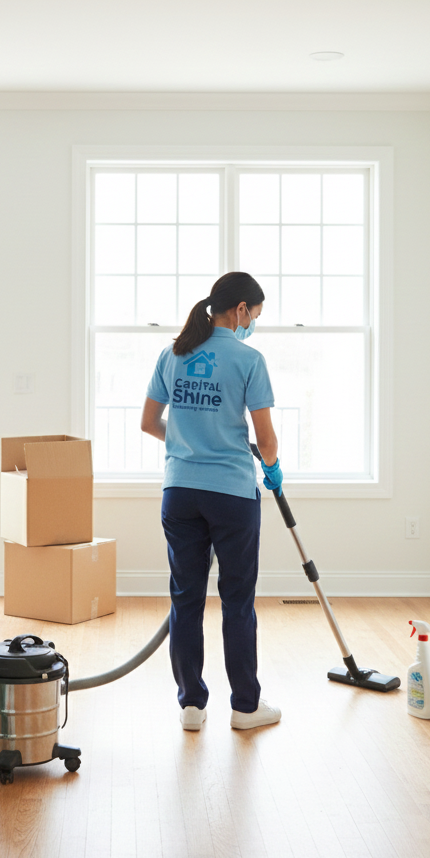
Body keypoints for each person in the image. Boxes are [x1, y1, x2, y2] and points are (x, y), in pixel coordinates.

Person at [140, 271, 283, 732]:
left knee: (186, 600)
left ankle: (191, 706)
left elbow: (148, 422)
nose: (253, 323)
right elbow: (266, 439)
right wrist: (271, 465)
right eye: (254, 315)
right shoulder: (248, 359)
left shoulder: (174, 353)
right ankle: (245, 708)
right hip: (232, 495)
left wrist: (184, 443)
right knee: (237, 601)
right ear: (241, 310)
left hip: (179, 490)